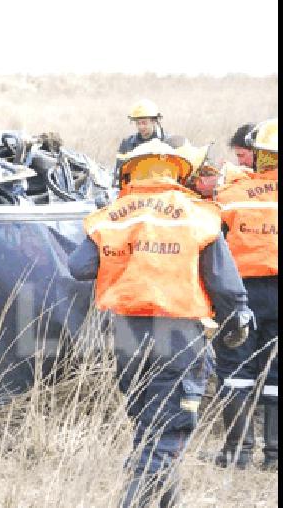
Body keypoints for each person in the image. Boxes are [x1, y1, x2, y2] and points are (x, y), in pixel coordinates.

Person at [69, 138, 251, 507]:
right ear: (177, 170)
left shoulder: (111, 214)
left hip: (126, 334)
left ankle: (167, 500)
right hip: (180, 335)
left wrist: (123, 255)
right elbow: (227, 289)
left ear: (130, 170)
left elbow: (79, 268)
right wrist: (237, 321)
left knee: (147, 424)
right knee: (168, 431)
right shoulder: (198, 215)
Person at [212, 118, 278, 471]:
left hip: (241, 293)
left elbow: (212, 248)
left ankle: (236, 453)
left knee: (236, 369)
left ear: (258, 154)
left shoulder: (231, 196)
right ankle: (275, 455)